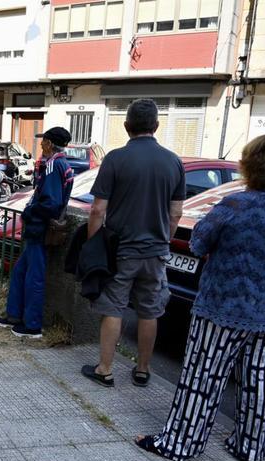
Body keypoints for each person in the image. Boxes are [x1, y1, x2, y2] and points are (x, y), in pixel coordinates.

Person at [135, 134, 265, 461]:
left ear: (250, 165)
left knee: (204, 374)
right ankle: (248, 447)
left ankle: (181, 442)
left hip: (225, 307)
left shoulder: (234, 204)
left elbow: (198, 243)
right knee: (261, 378)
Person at [81, 99, 185, 388]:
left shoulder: (115, 159)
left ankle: (105, 369)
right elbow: (176, 212)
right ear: (156, 126)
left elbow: (97, 210)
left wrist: (93, 244)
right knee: (149, 309)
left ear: (126, 127)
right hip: (156, 251)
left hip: (121, 249)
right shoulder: (173, 161)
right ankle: (142, 369)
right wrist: (163, 237)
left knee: (113, 307)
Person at [0, 127, 74, 338]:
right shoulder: (60, 164)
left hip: (39, 228)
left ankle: (32, 325)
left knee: (34, 277)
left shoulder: (52, 166)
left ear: (49, 143)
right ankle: (14, 315)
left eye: (43, 141)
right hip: (39, 228)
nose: (40, 144)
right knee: (21, 272)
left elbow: (50, 202)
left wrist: (30, 212)